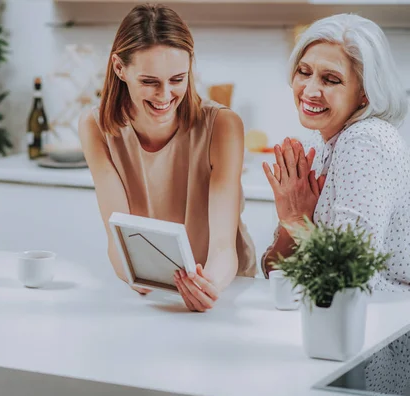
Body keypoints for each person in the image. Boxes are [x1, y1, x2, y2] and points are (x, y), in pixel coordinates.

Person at [78, 4, 257, 312]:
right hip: (150, 294)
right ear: (120, 68)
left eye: (177, 79)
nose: (164, 95)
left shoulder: (223, 126)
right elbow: (118, 239)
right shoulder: (95, 128)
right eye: (149, 81)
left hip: (224, 289)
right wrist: (140, 279)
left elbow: (224, 247)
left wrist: (207, 287)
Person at [261, 13, 410, 292]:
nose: (310, 90)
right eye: (304, 72)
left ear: (365, 92)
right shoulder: (320, 145)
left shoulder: (365, 142)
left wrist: (296, 222)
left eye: (330, 79)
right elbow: (273, 272)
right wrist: (291, 223)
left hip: (386, 324)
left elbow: (351, 276)